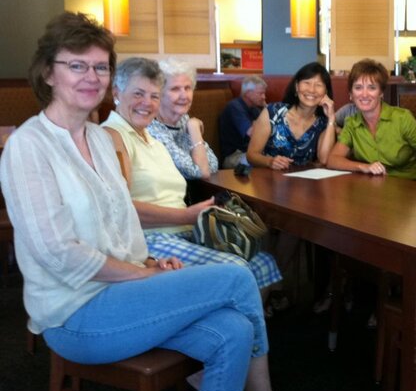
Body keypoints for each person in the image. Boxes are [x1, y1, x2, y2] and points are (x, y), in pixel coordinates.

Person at [0, 12, 324, 391]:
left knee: (233, 330)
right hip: (74, 314)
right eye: (76, 65)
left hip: (120, 291)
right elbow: (58, 254)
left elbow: (122, 221)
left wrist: (150, 264)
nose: (91, 76)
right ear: (47, 72)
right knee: (237, 277)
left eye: (100, 66)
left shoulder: (99, 140)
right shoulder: (29, 146)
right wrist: (139, 274)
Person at [103, 57, 282, 294]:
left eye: (154, 96)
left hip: (184, 231)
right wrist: (187, 216)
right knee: (239, 271)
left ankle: (226, 325)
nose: (147, 103)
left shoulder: (150, 137)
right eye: (138, 94)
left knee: (262, 262)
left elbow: (209, 166)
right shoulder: (113, 135)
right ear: (117, 93)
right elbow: (120, 210)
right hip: (151, 240)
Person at [327, 59, 416, 179]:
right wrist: (363, 167)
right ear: (351, 94)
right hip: (372, 188)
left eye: (372, 88)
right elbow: (333, 160)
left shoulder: (402, 118)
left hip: (409, 187)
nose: (364, 94)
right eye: (358, 88)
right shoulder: (351, 122)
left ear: (381, 93)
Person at [247, 62, 336, 170]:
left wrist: (331, 119)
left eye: (318, 85)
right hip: (267, 179)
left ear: (325, 92)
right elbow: (251, 155)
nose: (312, 90)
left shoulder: (323, 123)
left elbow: (324, 159)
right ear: (296, 86)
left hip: (304, 183)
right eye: (307, 83)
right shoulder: (272, 112)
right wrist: (270, 162)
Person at [146, 57, 218, 179]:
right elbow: (201, 172)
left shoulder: (183, 119)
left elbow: (213, 164)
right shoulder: (152, 128)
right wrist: (195, 130)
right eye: (175, 89)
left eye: (187, 88)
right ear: (158, 93)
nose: (184, 95)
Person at [219, 75, 267, 168]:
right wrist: (267, 111)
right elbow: (252, 133)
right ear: (248, 93)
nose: (264, 97)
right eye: (260, 93)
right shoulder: (234, 107)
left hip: (250, 153)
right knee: (266, 163)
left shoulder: (254, 109)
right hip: (233, 156)